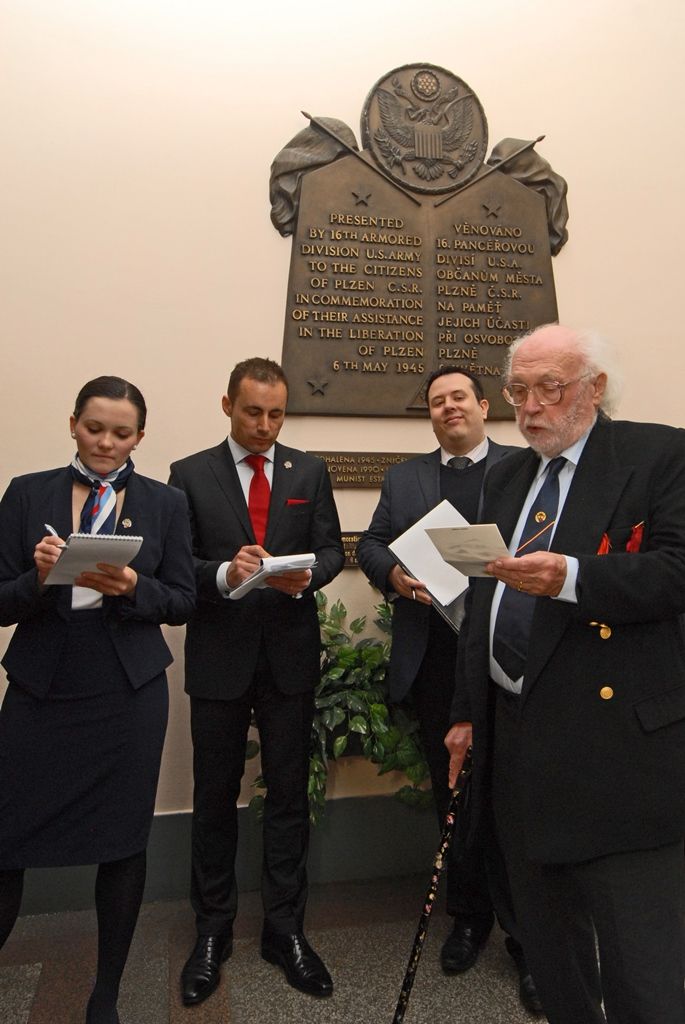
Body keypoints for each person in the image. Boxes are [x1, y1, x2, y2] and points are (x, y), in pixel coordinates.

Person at [445, 324, 685, 1024]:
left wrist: (573, 577)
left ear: (593, 388)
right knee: (551, 960)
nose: (527, 407)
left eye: (547, 387)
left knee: (642, 974)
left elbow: (675, 571)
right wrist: (465, 713)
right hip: (518, 750)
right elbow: (481, 604)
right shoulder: (507, 473)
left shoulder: (656, 454)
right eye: (517, 390)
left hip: (618, 755)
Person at [0, 376, 196, 1024]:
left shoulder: (165, 504)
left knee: (122, 844)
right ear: (73, 424)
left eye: (121, 432)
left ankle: (105, 993)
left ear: (139, 436)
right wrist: (38, 575)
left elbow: (183, 600)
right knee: (8, 839)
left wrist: (135, 583)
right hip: (41, 687)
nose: (106, 442)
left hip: (127, 693)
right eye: (94, 428)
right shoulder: (28, 494)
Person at [357, 367, 540, 1013]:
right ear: (429, 416)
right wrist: (398, 578)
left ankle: (528, 939)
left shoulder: (525, 467)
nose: (447, 407)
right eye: (436, 401)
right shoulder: (405, 478)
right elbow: (373, 544)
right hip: (436, 658)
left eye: (457, 396)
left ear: (483, 406)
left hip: (508, 653)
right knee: (453, 792)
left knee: (515, 799)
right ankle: (468, 917)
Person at [169, 356, 344, 1005]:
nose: (265, 424)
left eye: (275, 413)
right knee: (214, 797)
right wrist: (222, 572)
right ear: (227, 406)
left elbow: (331, 549)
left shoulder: (310, 470)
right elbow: (175, 563)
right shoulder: (189, 474)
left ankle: (283, 930)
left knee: (289, 798)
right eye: (252, 412)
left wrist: (311, 575)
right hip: (220, 657)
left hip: (289, 658)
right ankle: (211, 930)